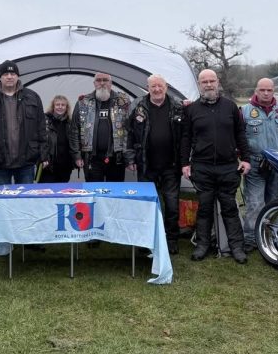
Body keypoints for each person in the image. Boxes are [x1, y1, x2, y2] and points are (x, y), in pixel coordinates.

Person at [180, 69, 251, 264]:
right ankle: (202, 245)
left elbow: (241, 135)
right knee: (204, 208)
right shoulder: (191, 110)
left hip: (228, 167)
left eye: (212, 81)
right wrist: (185, 163)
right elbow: (185, 138)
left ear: (217, 82)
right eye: (205, 82)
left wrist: (245, 159)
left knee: (230, 207)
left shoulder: (231, 107)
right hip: (202, 167)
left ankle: (237, 247)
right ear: (199, 84)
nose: (209, 84)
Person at [126, 74, 184, 255]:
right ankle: (146, 240)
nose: (157, 89)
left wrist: (184, 162)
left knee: (172, 205)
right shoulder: (138, 106)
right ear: (148, 87)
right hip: (146, 165)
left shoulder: (178, 106)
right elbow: (129, 134)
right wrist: (130, 158)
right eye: (153, 86)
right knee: (147, 205)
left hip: (171, 166)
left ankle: (171, 239)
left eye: (160, 86)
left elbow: (185, 136)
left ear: (166, 87)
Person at [241, 77, 278, 253]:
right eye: (262, 90)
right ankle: (251, 239)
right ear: (256, 91)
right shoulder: (244, 111)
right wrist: (242, 158)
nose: (266, 93)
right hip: (255, 164)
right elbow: (239, 138)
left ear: (274, 91)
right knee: (255, 203)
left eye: (269, 90)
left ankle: (273, 237)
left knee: (275, 202)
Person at [0, 60, 48, 188]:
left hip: (26, 162)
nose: (9, 76)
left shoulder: (33, 97)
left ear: (18, 76)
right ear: (0, 77)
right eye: (5, 73)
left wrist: (43, 155)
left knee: (24, 201)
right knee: (2, 203)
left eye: (13, 73)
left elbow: (41, 128)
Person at [69, 72, 132, 183]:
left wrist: (129, 159)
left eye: (105, 80)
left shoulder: (124, 102)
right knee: (94, 191)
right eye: (98, 80)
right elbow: (74, 130)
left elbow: (130, 130)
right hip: (91, 158)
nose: (102, 83)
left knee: (114, 194)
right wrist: (77, 156)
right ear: (94, 83)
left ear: (111, 83)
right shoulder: (83, 102)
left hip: (117, 158)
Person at [38, 95, 75, 183]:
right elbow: (40, 141)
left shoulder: (70, 122)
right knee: (46, 191)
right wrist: (43, 158)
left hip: (65, 165)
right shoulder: (44, 120)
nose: (60, 107)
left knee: (62, 191)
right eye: (57, 105)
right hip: (48, 165)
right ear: (53, 106)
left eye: (63, 105)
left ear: (67, 107)